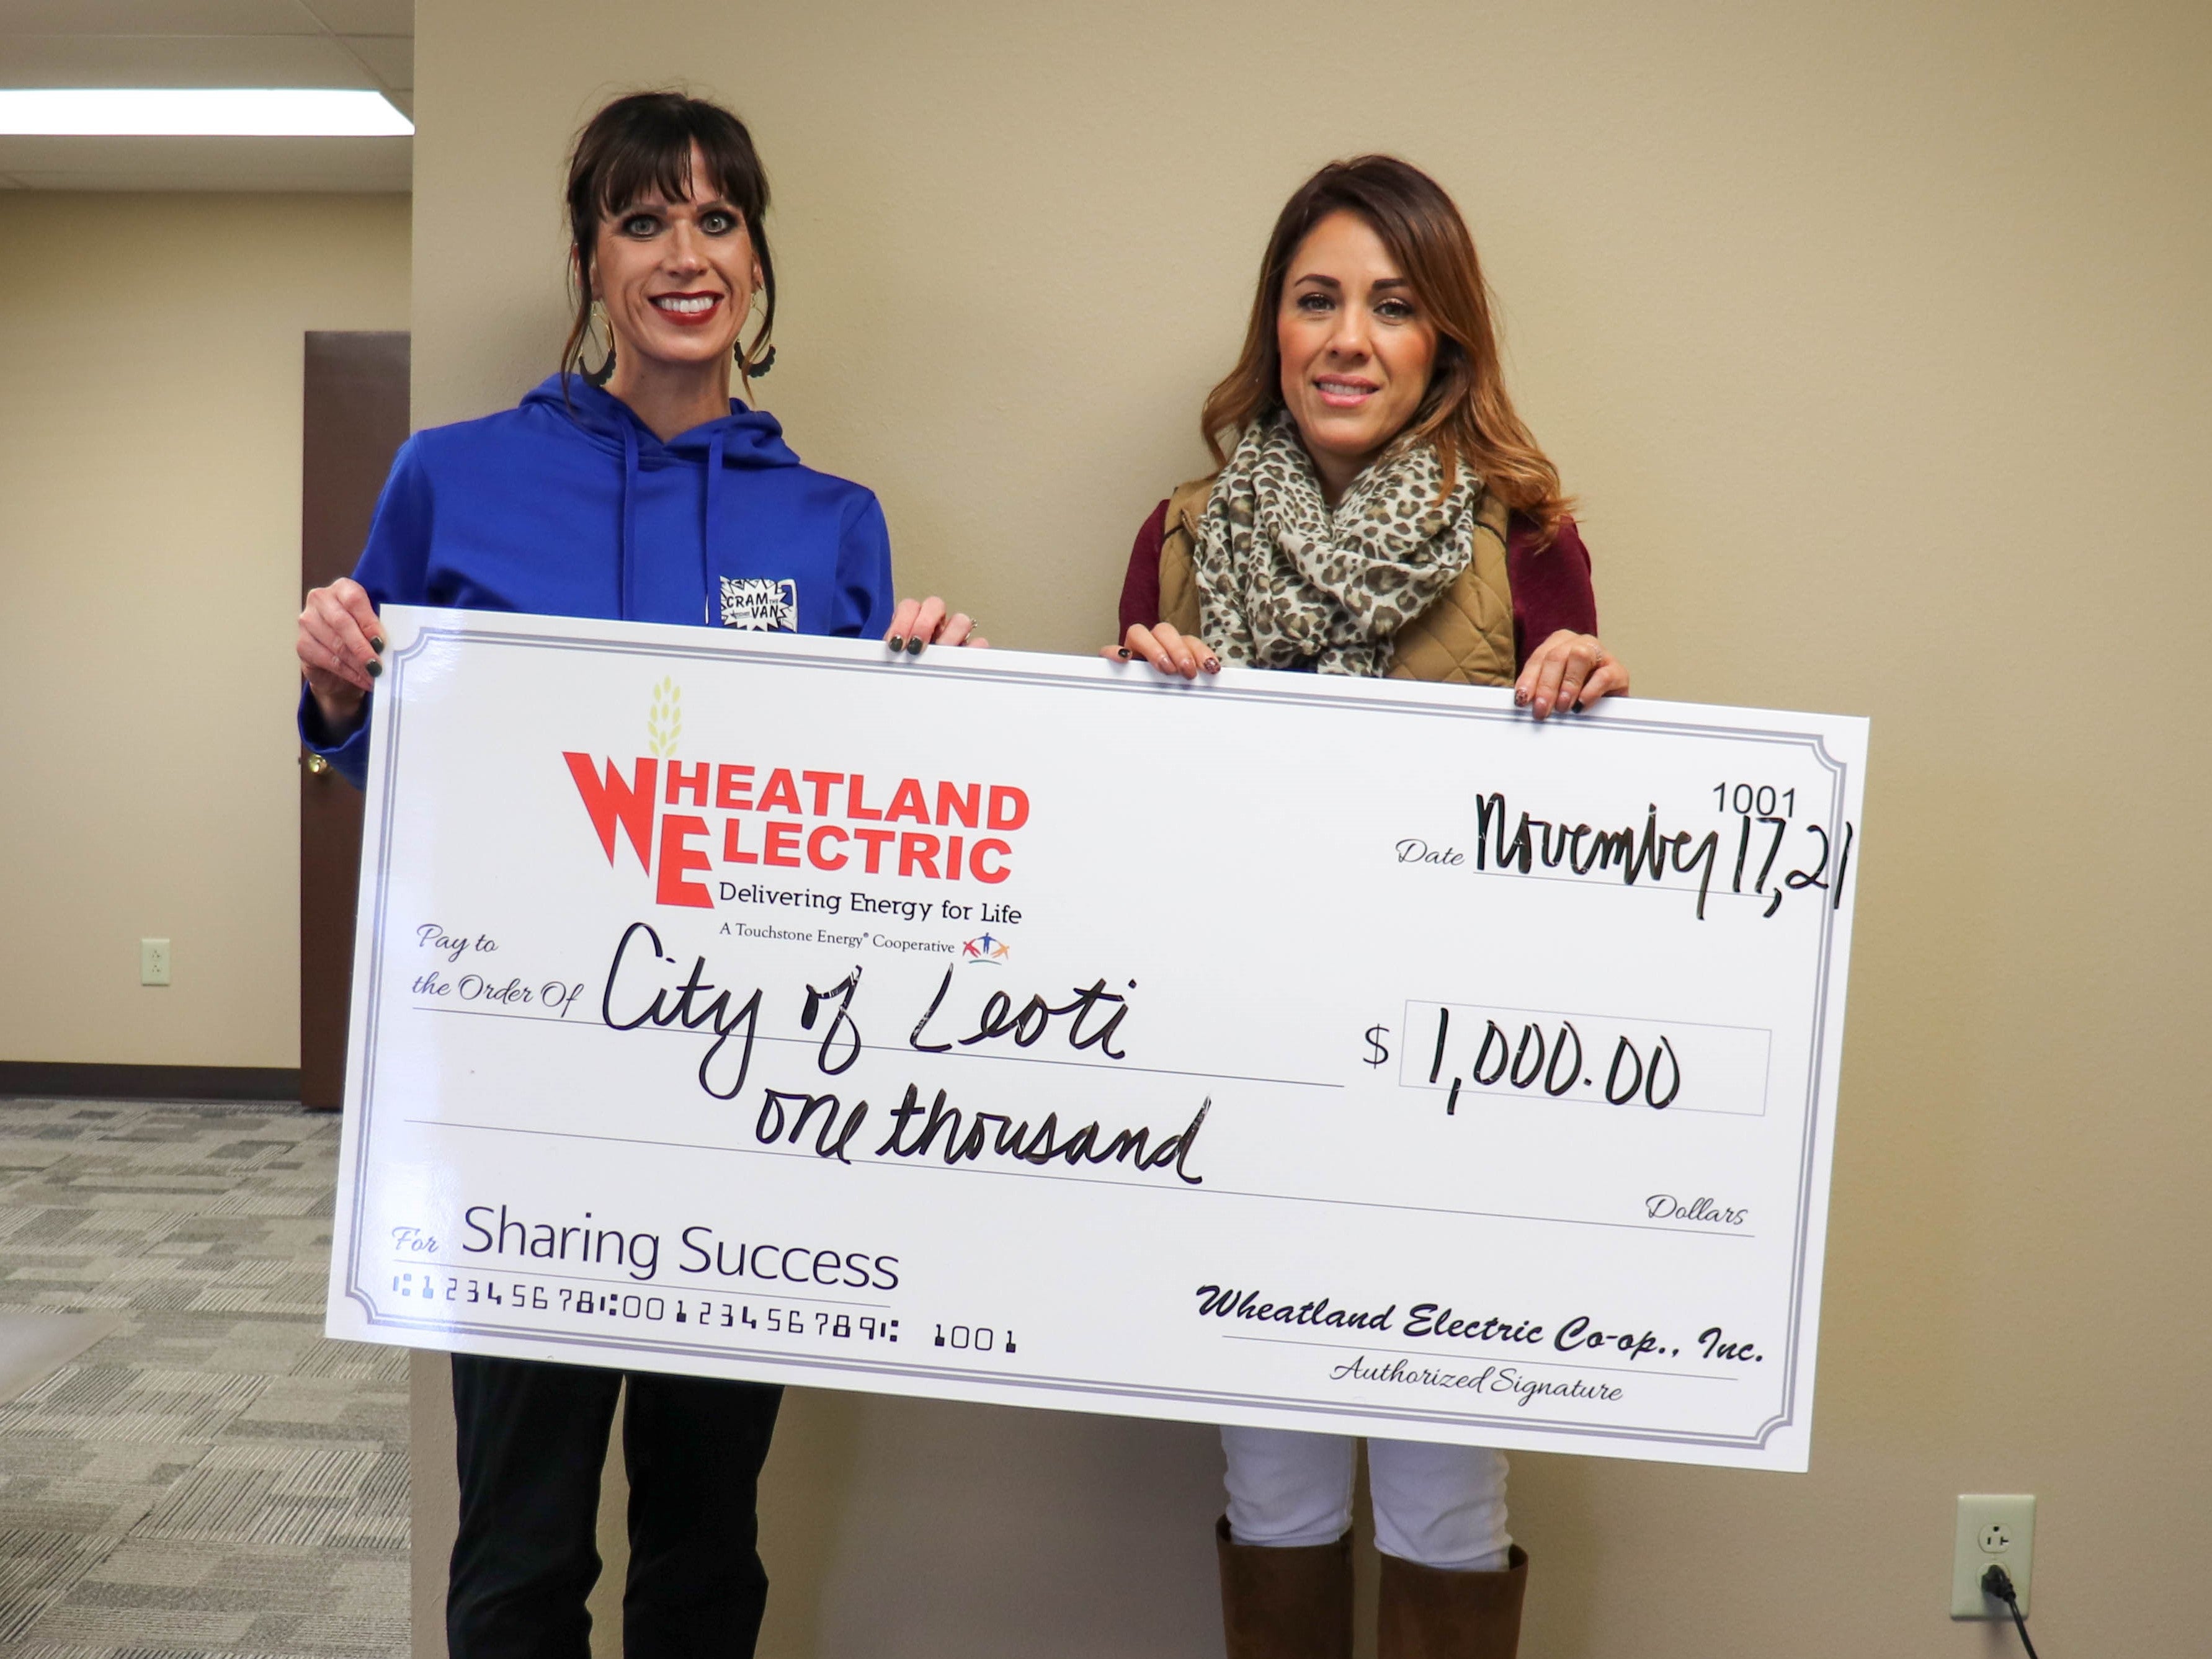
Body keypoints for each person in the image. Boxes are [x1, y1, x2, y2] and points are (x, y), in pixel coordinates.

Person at [295, 91, 975, 1658]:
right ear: (590, 262)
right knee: (521, 1550)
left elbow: (855, 818)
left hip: (745, 1114)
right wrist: (336, 690)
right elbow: (384, 748)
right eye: (644, 220)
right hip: (519, 1104)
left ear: (756, 261)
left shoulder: (831, 525)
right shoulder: (451, 478)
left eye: (718, 220)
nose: (686, 254)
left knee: (705, 1543)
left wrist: (933, 700)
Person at [1107, 156, 1631, 1659]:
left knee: (1444, 1501)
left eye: (1392, 307)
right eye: (1316, 300)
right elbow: (1121, 856)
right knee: (1271, 1489)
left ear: (1443, 340)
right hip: (1240, 1093)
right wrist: (1129, 706)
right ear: (1271, 327)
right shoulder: (1180, 537)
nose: (1348, 339)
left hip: (1450, 1116)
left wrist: (1597, 710)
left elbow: (1579, 867)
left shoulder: (1529, 541)